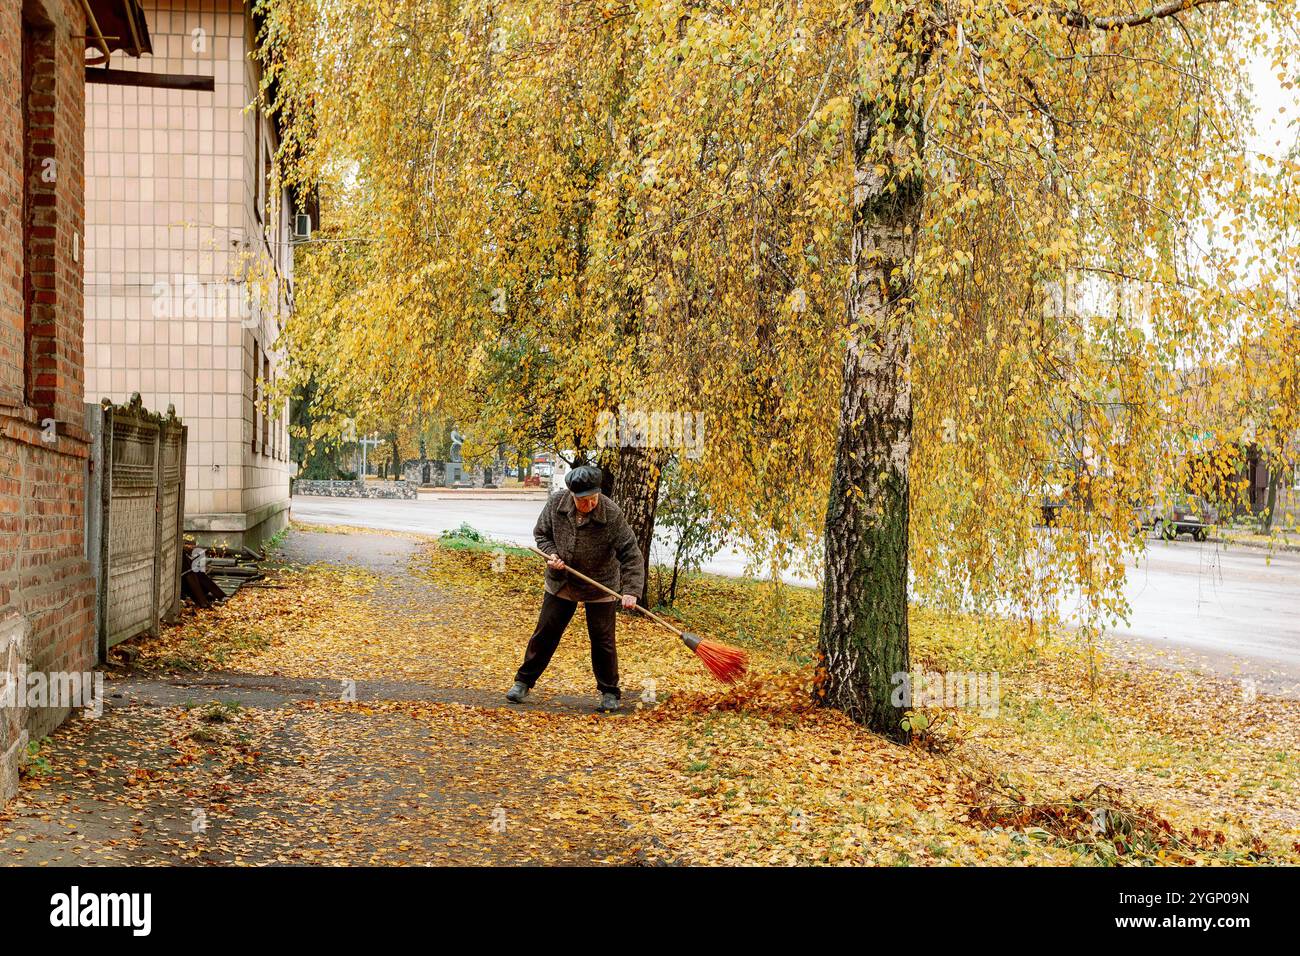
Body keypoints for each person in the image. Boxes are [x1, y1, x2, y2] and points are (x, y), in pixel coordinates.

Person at [506, 464, 644, 712]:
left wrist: (631, 590)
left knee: (603, 641)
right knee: (546, 633)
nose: (590, 504)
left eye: (593, 498)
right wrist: (552, 555)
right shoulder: (556, 504)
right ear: (572, 495)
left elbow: (631, 554)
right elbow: (541, 535)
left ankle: (609, 692)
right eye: (583, 501)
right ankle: (523, 682)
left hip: (600, 584)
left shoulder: (611, 514)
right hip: (563, 581)